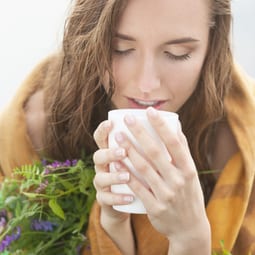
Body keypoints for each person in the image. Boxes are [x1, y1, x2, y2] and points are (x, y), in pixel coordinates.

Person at [0, 0, 255, 254]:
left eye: (178, 53)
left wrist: (191, 240)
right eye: (120, 49)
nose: (146, 84)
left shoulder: (243, 143)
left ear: (214, 45)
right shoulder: (33, 131)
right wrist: (114, 226)